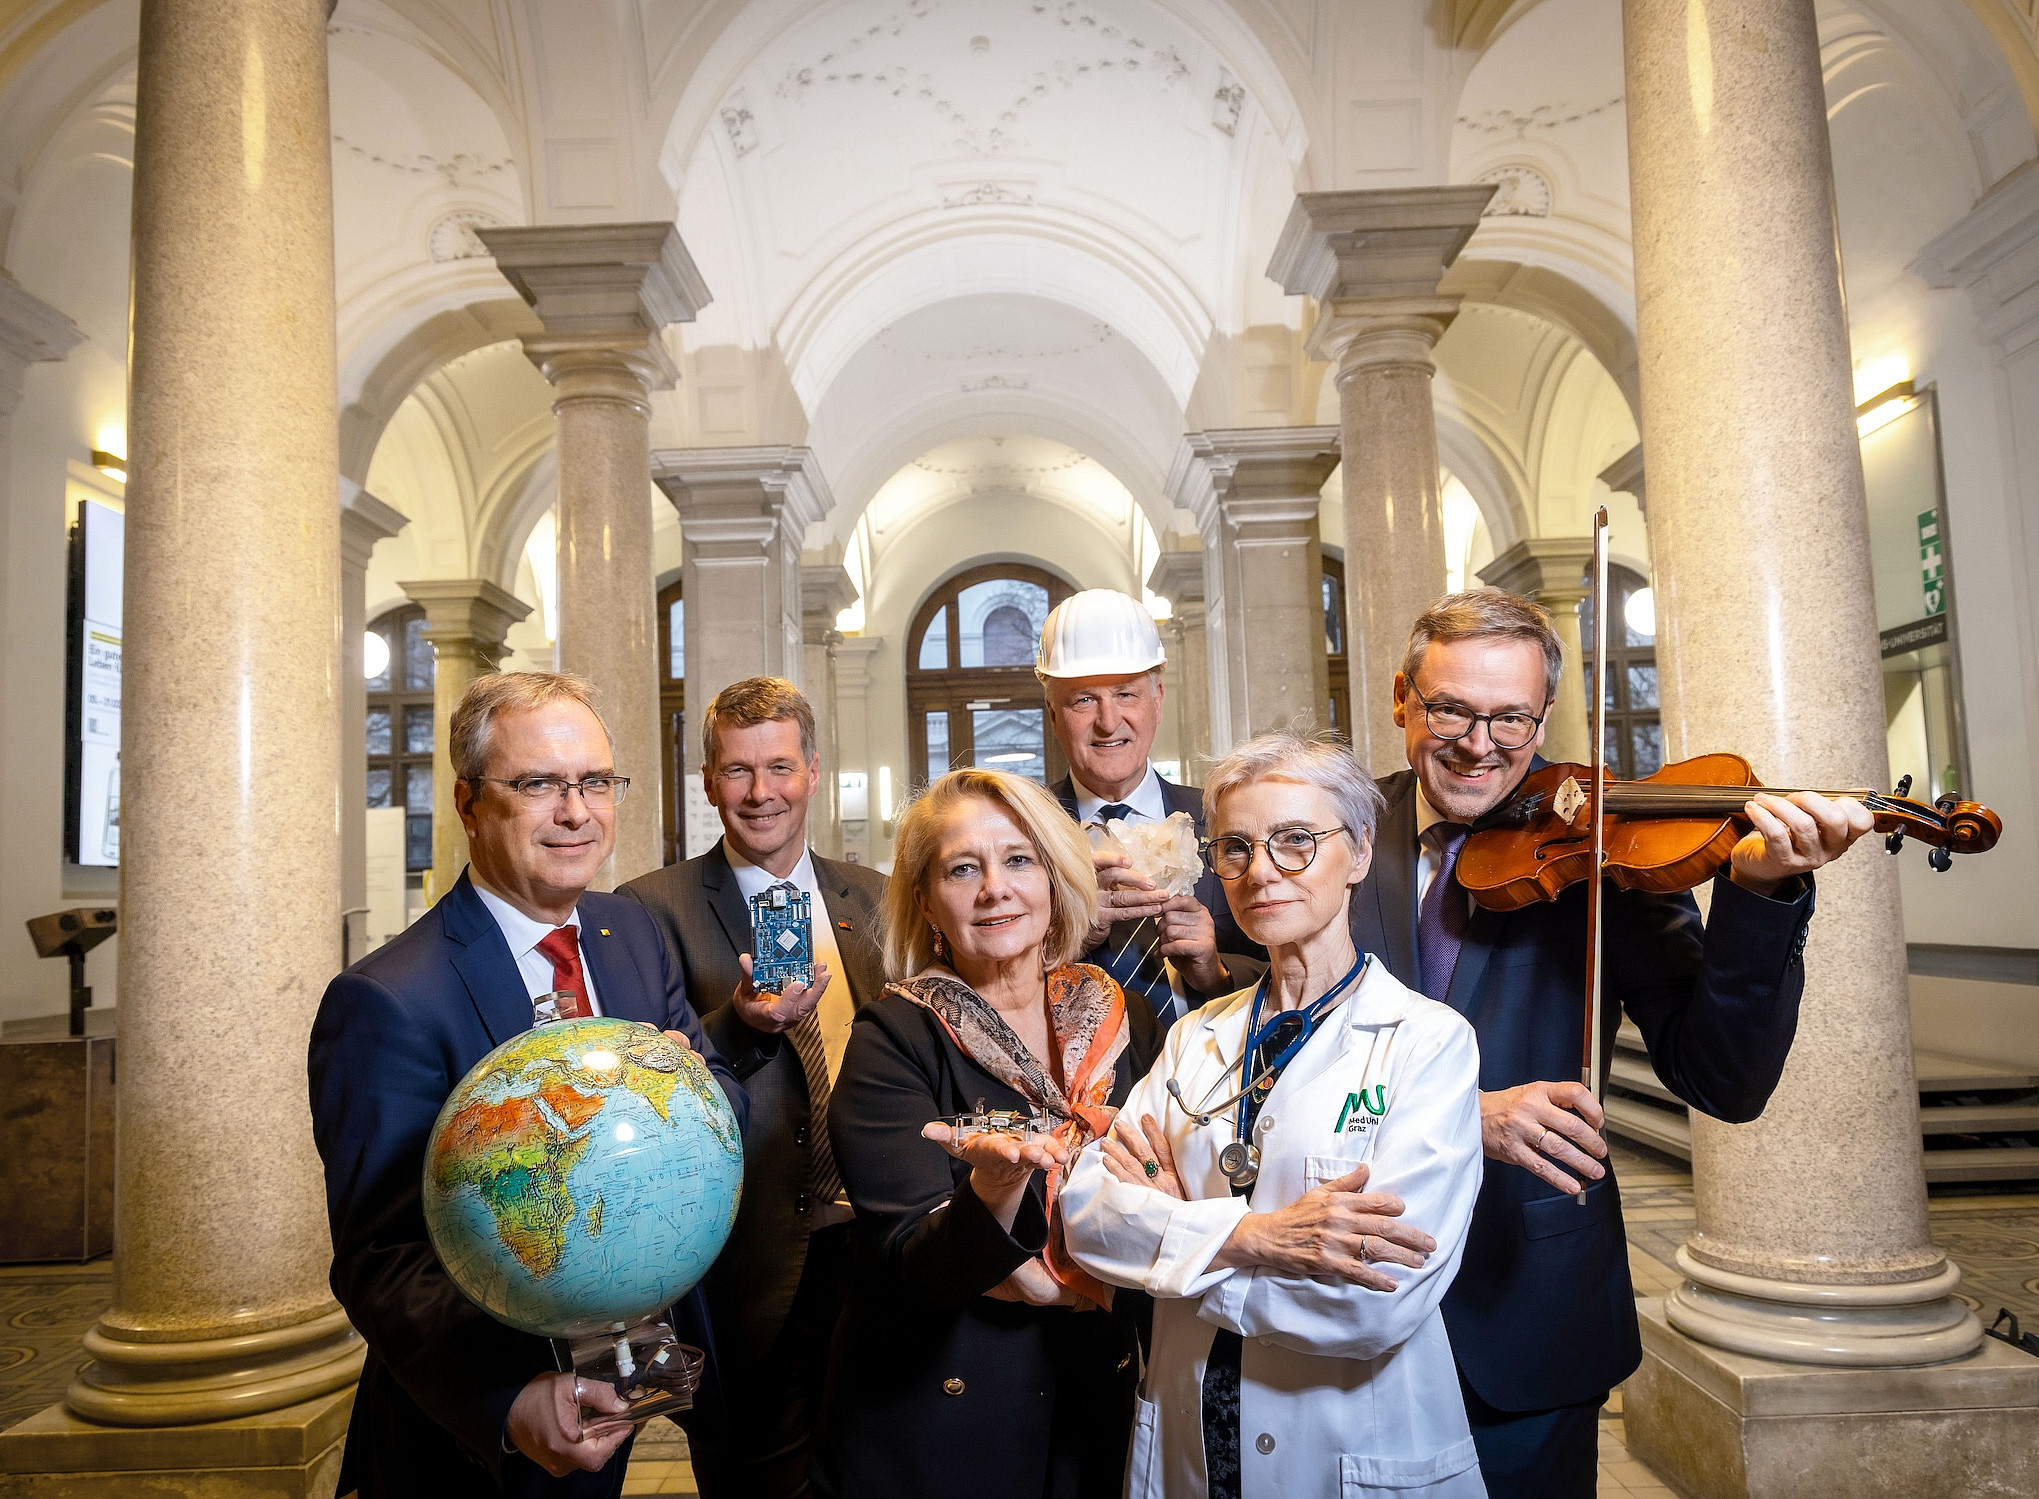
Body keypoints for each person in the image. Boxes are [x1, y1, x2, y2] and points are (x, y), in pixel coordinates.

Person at [1350, 590, 1875, 1497]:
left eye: (1511, 716)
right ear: (1402, 697)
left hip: (1527, 1298)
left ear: (1541, 714)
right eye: (1449, 708)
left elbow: (1721, 1078)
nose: (1481, 742)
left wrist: (1757, 898)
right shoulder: (1334, 832)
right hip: (1344, 1281)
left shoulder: (1607, 845)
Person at [308, 672, 745, 1498]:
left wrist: (690, 1082)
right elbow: (381, 1260)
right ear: (470, 803)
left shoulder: (627, 933)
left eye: (594, 782)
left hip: (625, 1380)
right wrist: (504, 1404)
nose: (576, 811)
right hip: (478, 1448)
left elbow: (714, 1096)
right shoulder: (387, 1000)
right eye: (539, 783)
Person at [1062, 730, 1486, 1499]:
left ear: (1358, 852)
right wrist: (1257, 1237)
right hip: (1194, 1442)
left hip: (1344, 1449)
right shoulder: (1197, 1033)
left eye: (1295, 840)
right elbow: (1088, 1214)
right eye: (1236, 846)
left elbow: (1374, 1300)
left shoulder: (1428, 1042)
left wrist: (1174, 1245)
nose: (1260, 871)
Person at [813, 768, 1163, 1499]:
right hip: (936, 1423)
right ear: (926, 903)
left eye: (1018, 859)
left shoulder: (1122, 1013)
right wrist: (993, 1189)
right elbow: (914, 1263)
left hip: (1094, 1394)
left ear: (1054, 877)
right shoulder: (892, 1037)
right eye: (962, 868)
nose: (994, 888)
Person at [618, 676, 886, 1499]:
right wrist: (737, 1025)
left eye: (778, 767)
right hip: (746, 1265)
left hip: (873, 1249)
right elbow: (636, 1089)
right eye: (737, 771)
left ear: (811, 770)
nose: (760, 792)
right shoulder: (646, 909)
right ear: (707, 781)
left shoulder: (871, 896)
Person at [1037, 587, 1264, 1025]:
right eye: (1084, 699)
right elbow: (983, 982)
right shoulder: (1024, 835)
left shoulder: (1224, 818)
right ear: (1053, 714)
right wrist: (1067, 942)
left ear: (1157, 700)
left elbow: (1289, 964)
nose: (1108, 721)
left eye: (1126, 695)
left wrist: (1216, 973)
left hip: (1213, 1080)